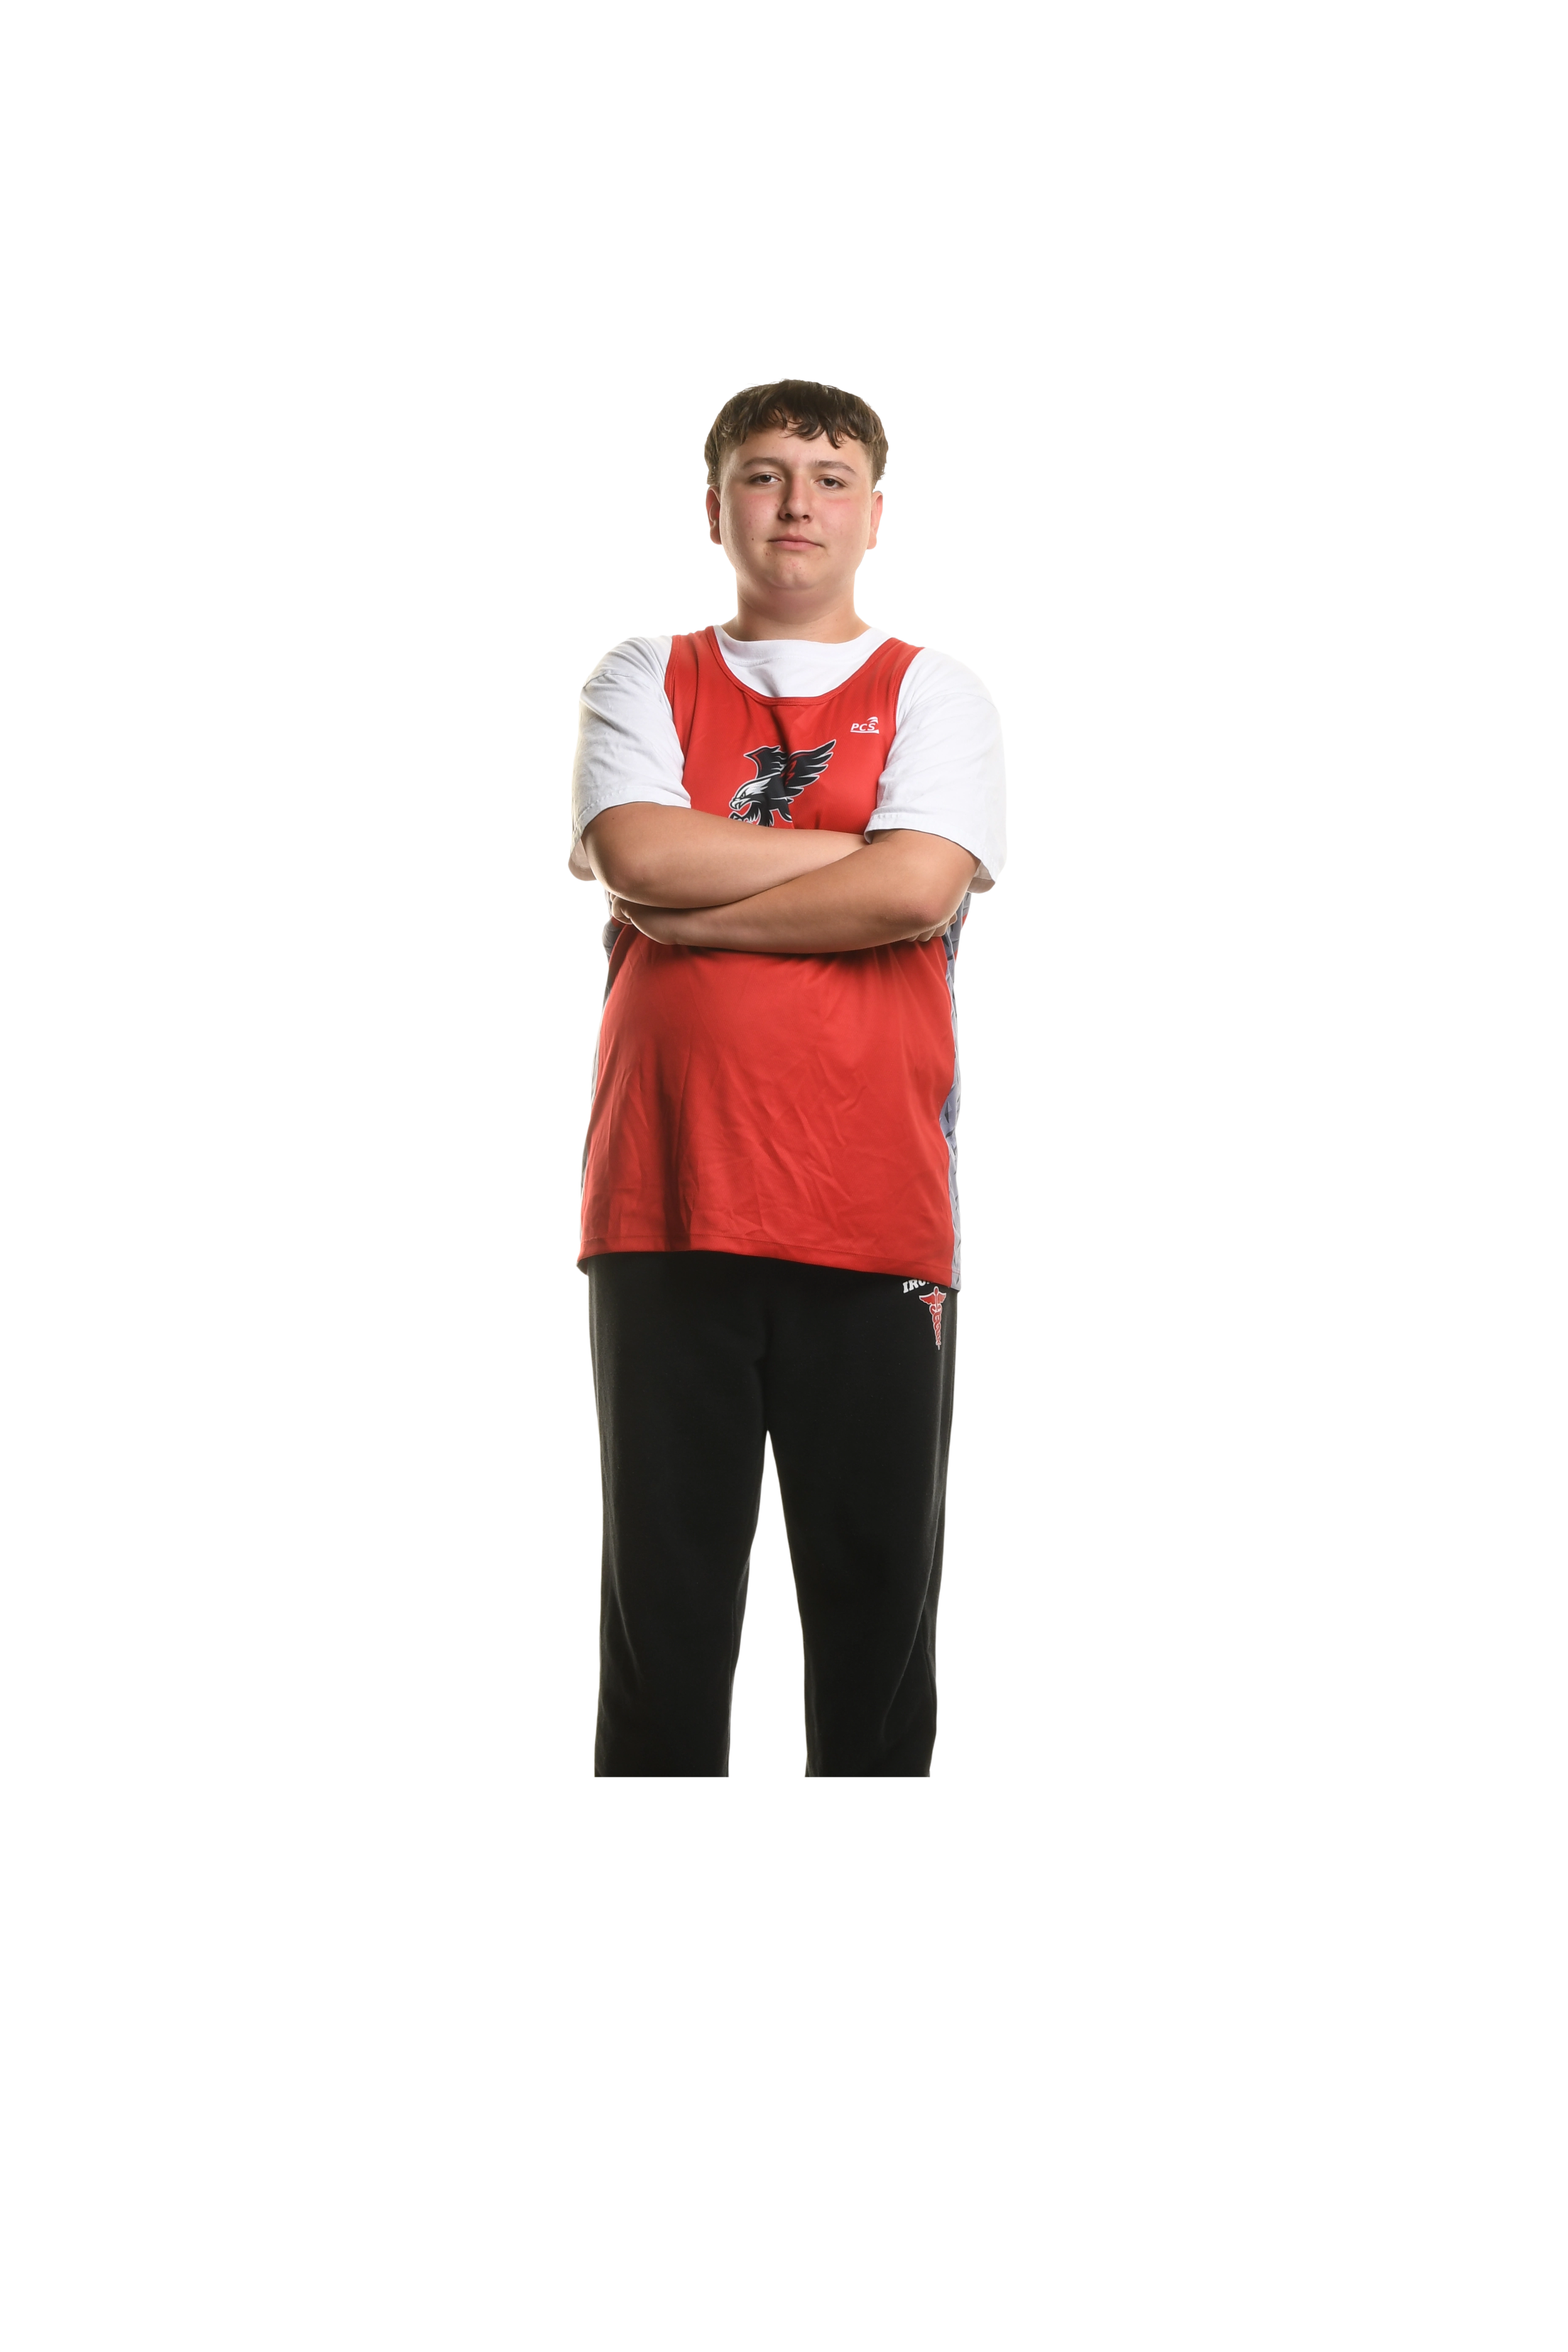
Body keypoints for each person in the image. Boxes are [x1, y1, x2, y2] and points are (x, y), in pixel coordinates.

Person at [568, 378, 1007, 1803]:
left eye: (831, 478)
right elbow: (640, 854)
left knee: (875, 1645)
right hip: (665, 1205)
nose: (798, 504)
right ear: (716, 509)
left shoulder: (934, 692)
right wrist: (861, 854)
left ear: (875, 514)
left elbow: (919, 891)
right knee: (664, 1636)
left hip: (873, 1220)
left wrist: (695, 907)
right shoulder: (643, 675)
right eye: (764, 475)